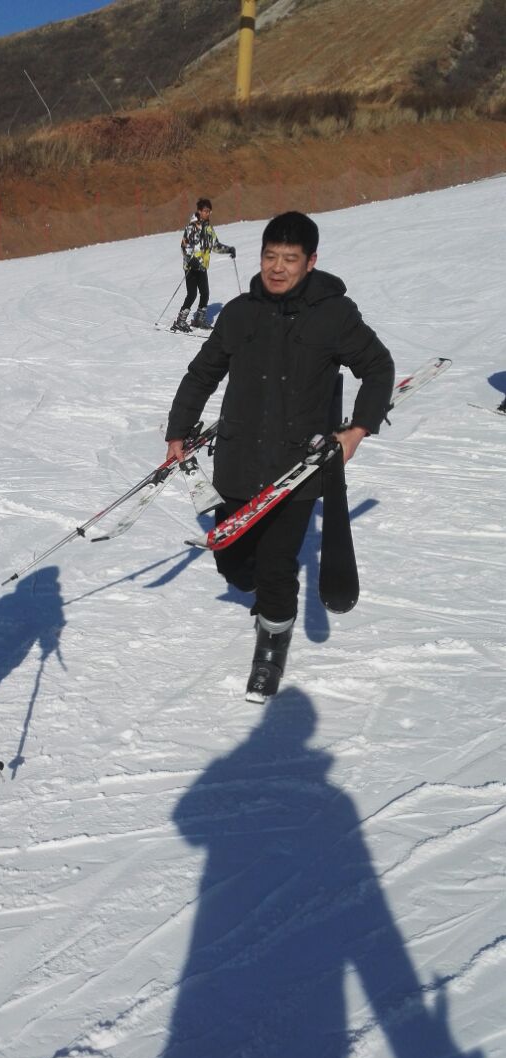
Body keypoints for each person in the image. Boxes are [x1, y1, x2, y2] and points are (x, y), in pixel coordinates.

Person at [164, 210, 395, 699]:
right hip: (238, 461)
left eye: (290, 259)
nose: (277, 268)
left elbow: (377, 367)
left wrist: (356, 431)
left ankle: (271, 646)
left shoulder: (335, 314)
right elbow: (202, 374)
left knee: (275, 566)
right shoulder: (241, 313)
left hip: (297, 470)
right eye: (270, 256)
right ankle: (263, 597)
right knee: (232, 559)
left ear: (311, 261)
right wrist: (178, 431)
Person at [170, 197, 236, 334]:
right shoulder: (191, 227)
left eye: (209, 211)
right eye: (205, 211)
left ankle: (199, 319)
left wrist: (228, 249)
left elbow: (215, 246)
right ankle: (180, 321)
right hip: (191, 266)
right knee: (192, 294)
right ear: (199, 211)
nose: (207, 213)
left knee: (205, 293)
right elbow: (184, 245)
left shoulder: (209, 229)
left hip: (202, 266)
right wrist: (190, 259)